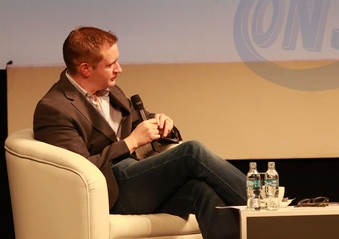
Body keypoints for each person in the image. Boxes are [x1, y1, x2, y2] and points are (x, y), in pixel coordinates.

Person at [33, 26, 247, 239]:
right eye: (110, 64)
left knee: (202, 191)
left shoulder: (110, 90)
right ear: (86, 69)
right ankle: (259, 203)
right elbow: (78, 172)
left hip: (138, 180)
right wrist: (130, 143)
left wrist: (159, 121)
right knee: (192, 152)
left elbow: (136, 119)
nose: (119, 69)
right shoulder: (55, 108)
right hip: (111, 191)